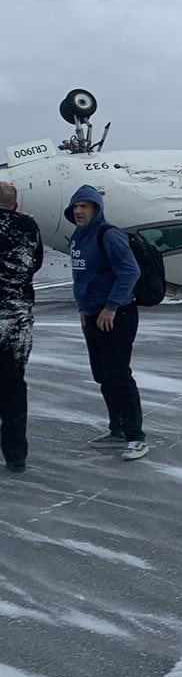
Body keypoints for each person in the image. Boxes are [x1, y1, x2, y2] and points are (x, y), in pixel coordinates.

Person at [65, 184, 148, 459]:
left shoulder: (108, 235)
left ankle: (136, 437)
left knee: (118, 375)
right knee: (102, 375)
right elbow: (83, 278)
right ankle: (118, 429)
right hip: (91, 315)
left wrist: (111, 307)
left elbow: (130, 272)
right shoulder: (78, 237)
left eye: (84, 206)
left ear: (96, 209)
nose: (78, 211)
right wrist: (83, 309)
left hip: (116, 316)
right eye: (76, 206)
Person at [0, 180, 44, 474]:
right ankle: (16, 455)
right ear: (15, 204)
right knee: (13, 386)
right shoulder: (28, 226)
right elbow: (35, 262)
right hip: (16, 318)